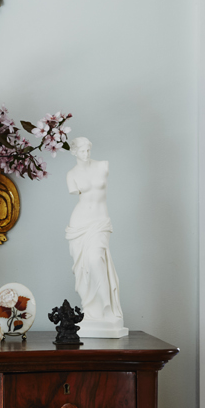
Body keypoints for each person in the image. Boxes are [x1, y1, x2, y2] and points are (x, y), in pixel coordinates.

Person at [65, 137, 127, 337]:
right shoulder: (71, 175)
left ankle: (107, 307)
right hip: (79, 224)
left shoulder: (102, 166)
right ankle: (91, 311)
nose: (86, 154)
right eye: (82, 151)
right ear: (74, 152)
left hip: (100, 221)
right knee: (84, 269)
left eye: (88, 150)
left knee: (95, 259)